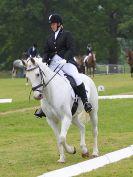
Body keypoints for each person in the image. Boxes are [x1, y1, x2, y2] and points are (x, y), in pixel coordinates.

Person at [34, 14, 92, 118]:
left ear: (59, 24)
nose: (51, 26)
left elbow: (71, 48)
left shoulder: (67, 34)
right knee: (44, 80)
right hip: (52, 64)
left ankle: (85, 102)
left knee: (76, 77)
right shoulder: (49, 37)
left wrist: (65, 58)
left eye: (53, 24)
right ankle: (44, 107)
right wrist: (44, 61)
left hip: (66, 62)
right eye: (51, 24)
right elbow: (46, 52)